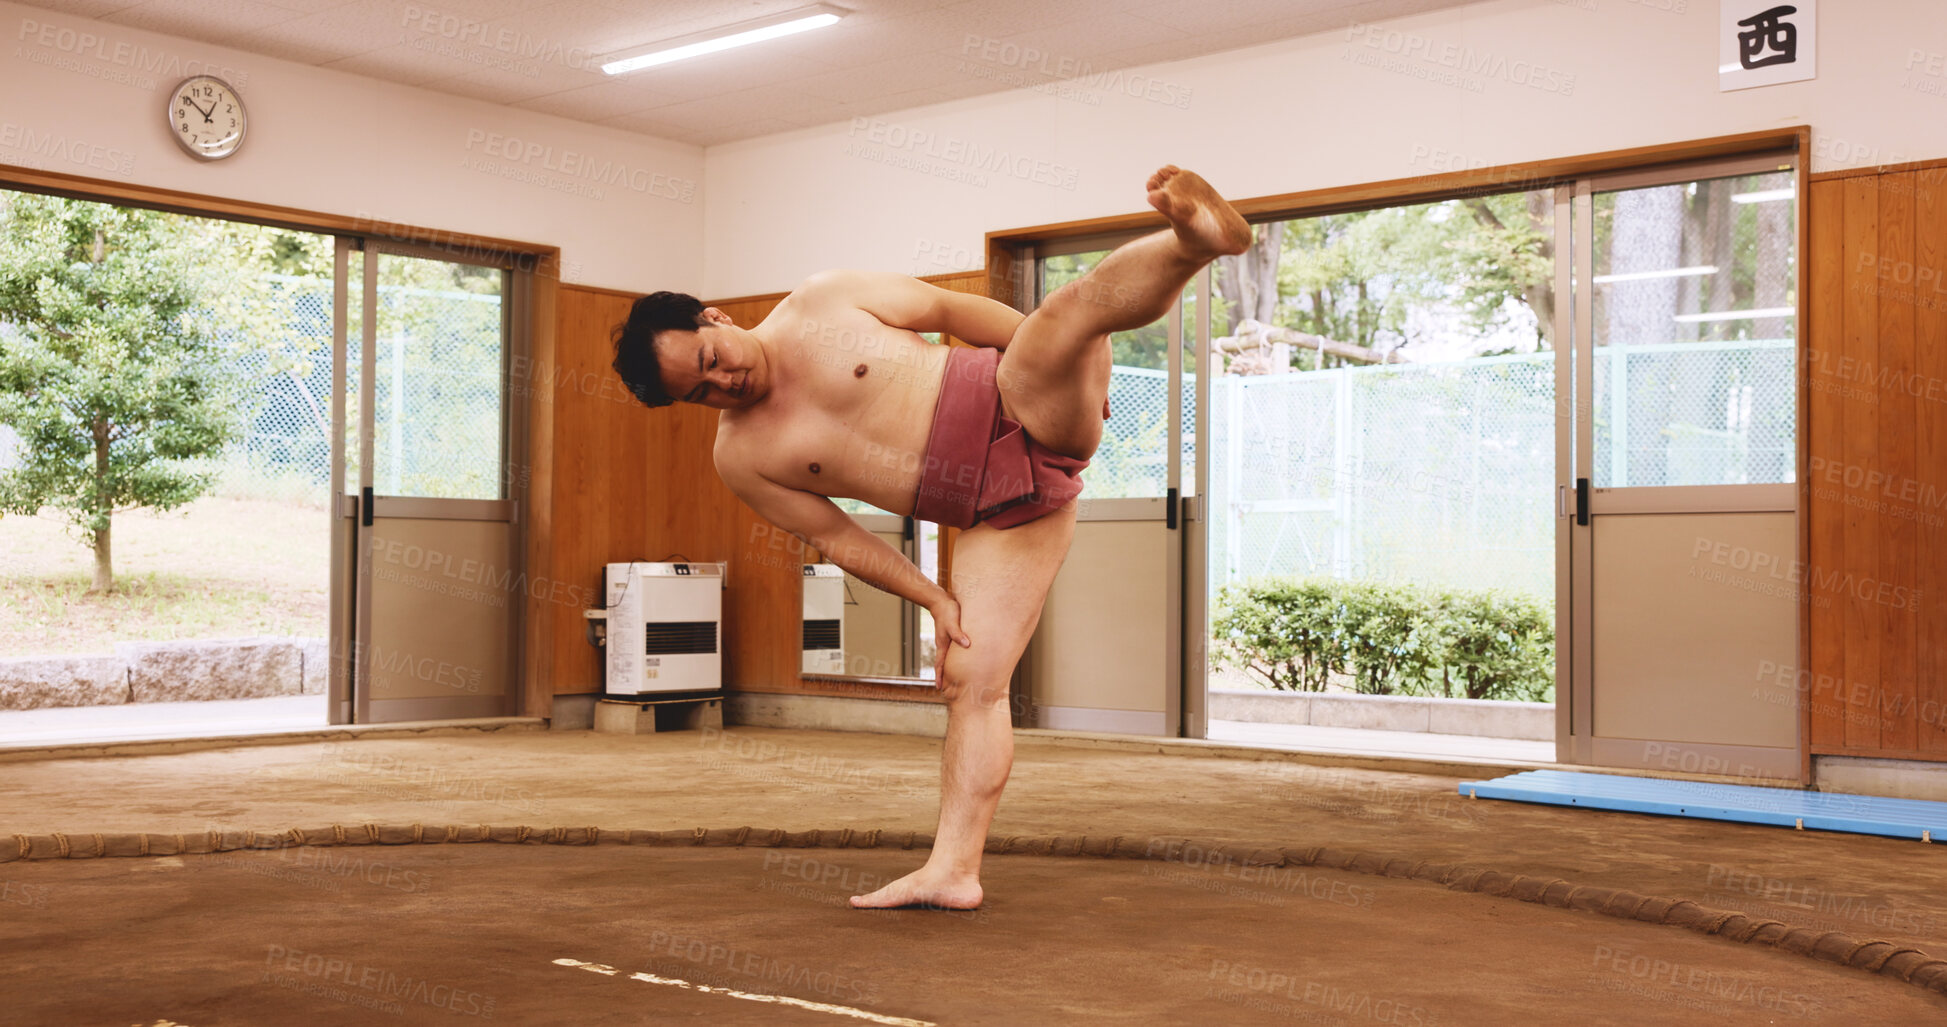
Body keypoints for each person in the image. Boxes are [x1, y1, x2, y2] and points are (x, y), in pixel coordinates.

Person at [611, 166, 1251, 909]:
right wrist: (933, 600)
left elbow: (958, 310)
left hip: (1021, 397)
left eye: (709, 361)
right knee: (973, 686)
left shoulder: (823, 298)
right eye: (699, 393)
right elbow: (843, 540)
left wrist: (1065, 362)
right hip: (998, 511)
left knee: (1066, 314)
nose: (720, 383)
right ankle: (953, 869)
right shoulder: (743, 457)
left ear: (715, 320)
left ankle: (1191, 243)